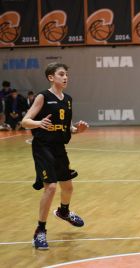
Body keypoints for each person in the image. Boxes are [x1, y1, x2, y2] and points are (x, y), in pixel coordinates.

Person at [21, 62, 89, 250]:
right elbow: (25, 121)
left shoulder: (68, 99)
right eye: (61, 74)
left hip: (59, 148)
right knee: (50, 187)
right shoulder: (43, 97)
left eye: (66, 74)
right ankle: (40, 231)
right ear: (51, 77)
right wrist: (38, 123)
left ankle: (63, 212)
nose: (65, 77)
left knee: (67, 188)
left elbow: (69, 128)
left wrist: (78, 130)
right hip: (43, 147)